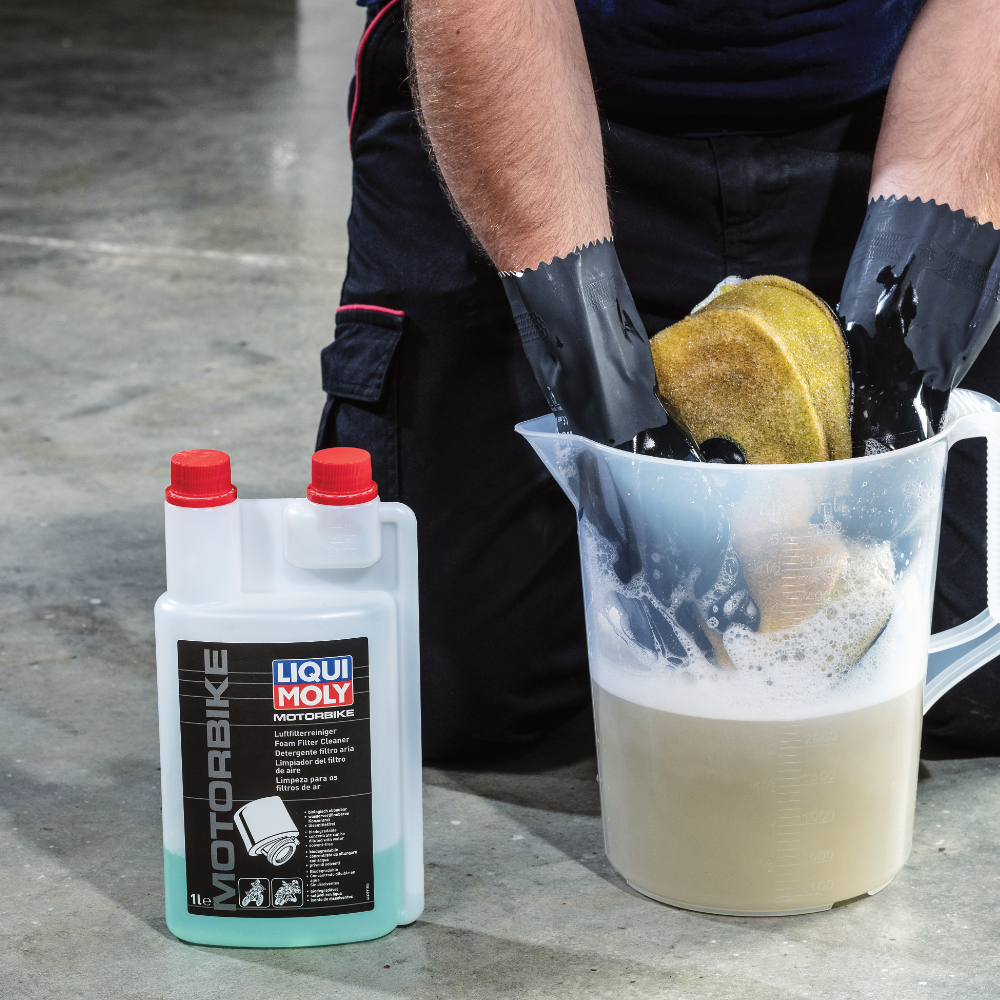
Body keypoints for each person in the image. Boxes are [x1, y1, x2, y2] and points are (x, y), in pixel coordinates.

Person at [318, 0, 1000, 758]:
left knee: (975, 685)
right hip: (537, 105)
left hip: (892, 113)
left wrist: (904, 341)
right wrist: (599, 381)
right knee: (453, 691)